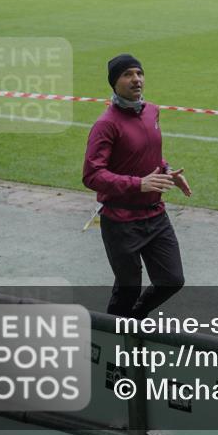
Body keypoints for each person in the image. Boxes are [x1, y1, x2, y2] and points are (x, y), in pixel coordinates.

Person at [83, 54, 190, 319]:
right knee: (128, 290)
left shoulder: (152, 111)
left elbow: (149, 154)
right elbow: (91, 175)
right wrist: (138, 184)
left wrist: (166, 170)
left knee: (172, 279)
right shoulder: (105, 124)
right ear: (114, 82)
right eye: (128, 74)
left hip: (155, 215)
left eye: (139, 73)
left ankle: (133, 321)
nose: (136, 79)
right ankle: (113, 338)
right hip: (120, 221)